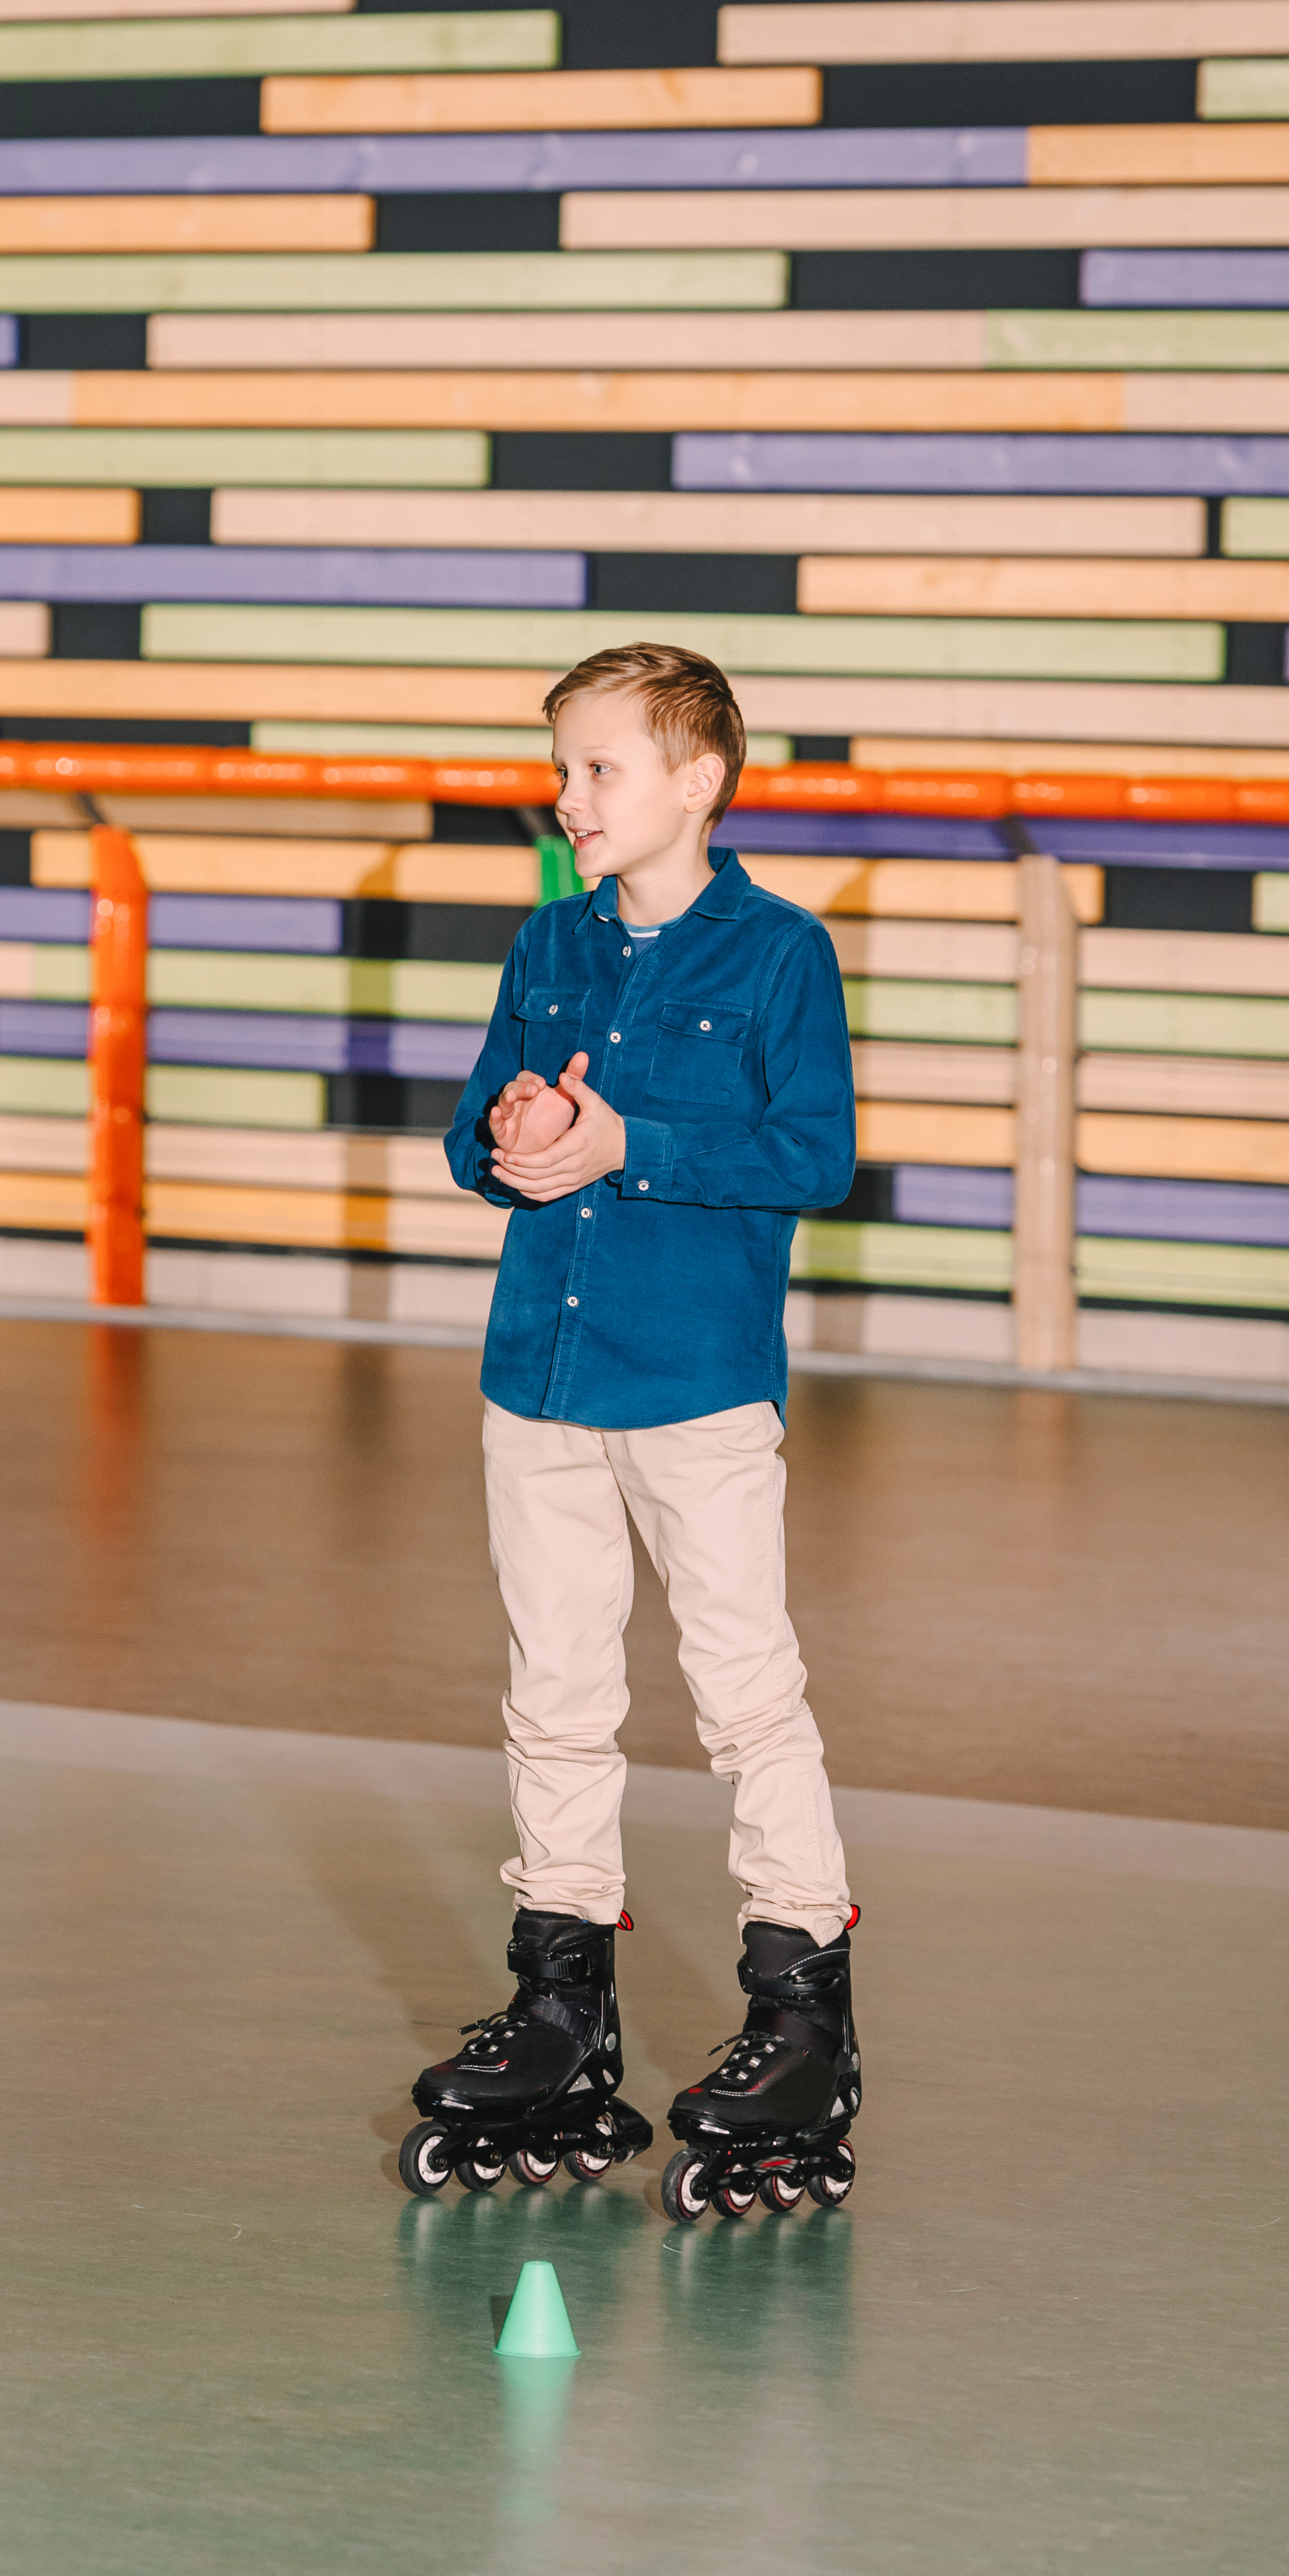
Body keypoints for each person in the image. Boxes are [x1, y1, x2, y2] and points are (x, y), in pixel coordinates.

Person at [396, 642, 868, 2224]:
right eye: (562, 766)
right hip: (537, 1378)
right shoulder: (547, 941)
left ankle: (802, 2013)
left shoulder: (780, 953)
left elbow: (814, 1156)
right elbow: (473, 1130)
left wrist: (628, 1141)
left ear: (696, 781)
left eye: (598, 768)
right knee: (554, 1691)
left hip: (697, 1385)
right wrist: (514, 1135)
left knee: (745, 1688)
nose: (566, 795)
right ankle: (560, 2002)